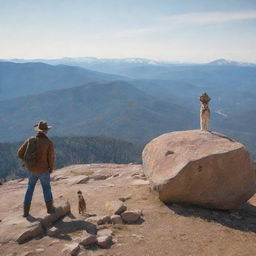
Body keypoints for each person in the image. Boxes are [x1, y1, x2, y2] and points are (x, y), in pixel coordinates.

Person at [17, 120, 55, 217]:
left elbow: (19, 153)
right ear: (46, 131)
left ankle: (25, 212)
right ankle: (50, 210)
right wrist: (51, 168)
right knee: (46, 188)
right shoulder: (48, 143)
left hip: (31, 169)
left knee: (30, 188)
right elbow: (50, 158)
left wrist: (27, 161)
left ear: (38, 130)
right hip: (43, 170)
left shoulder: (31, 140)